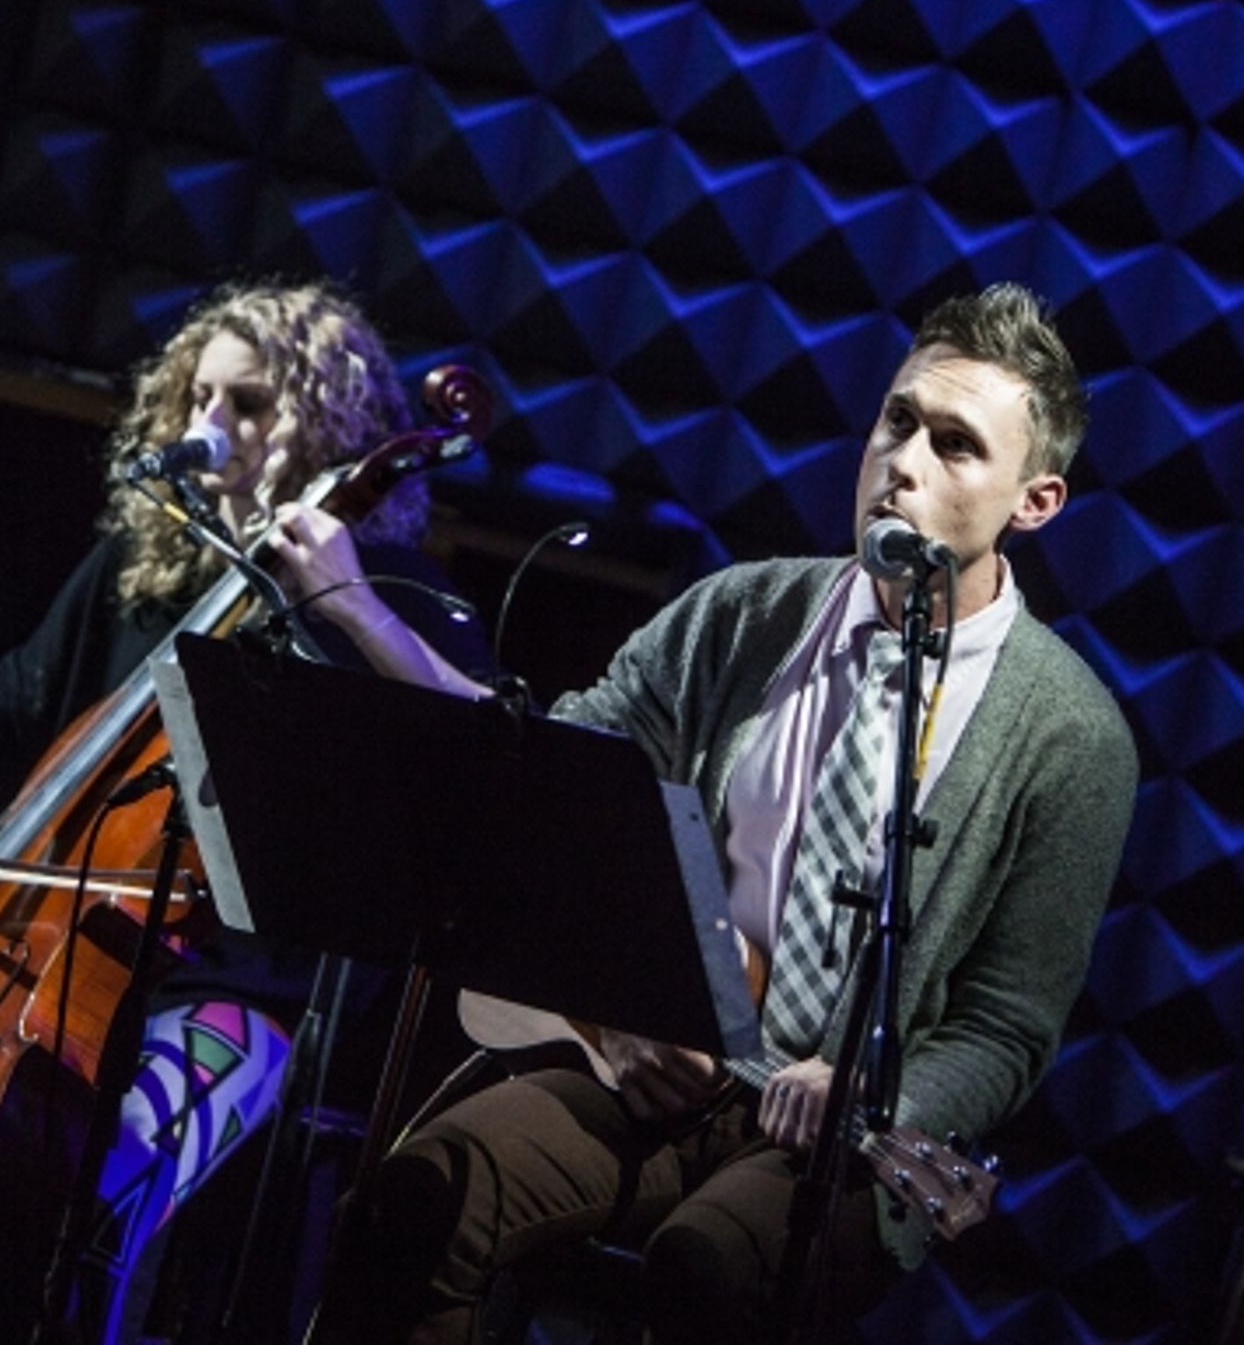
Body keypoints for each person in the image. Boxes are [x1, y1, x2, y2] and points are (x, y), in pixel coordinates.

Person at [310, 280, 1139, 1345]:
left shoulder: (1072, 736)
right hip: (654, 1066)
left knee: (704, 1267)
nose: (903, 464)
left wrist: (868, 1093)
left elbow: (1004, 1028)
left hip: (844, 1134)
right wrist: (616, 1012)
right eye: (896, 422)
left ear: (1033, 501)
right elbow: (557, 797)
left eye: (954, 446)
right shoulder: (737, 614)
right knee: (416, 1196)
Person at [0, 279, 491, 1345]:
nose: (211, 428)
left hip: (233, 992)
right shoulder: (137, 567)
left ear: (326, 420)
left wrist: (343, 603)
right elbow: (5, 713)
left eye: (247, 403)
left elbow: (477, 753)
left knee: (107, 1185)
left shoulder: (385, 589)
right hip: (32, 960)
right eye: (197, 397)